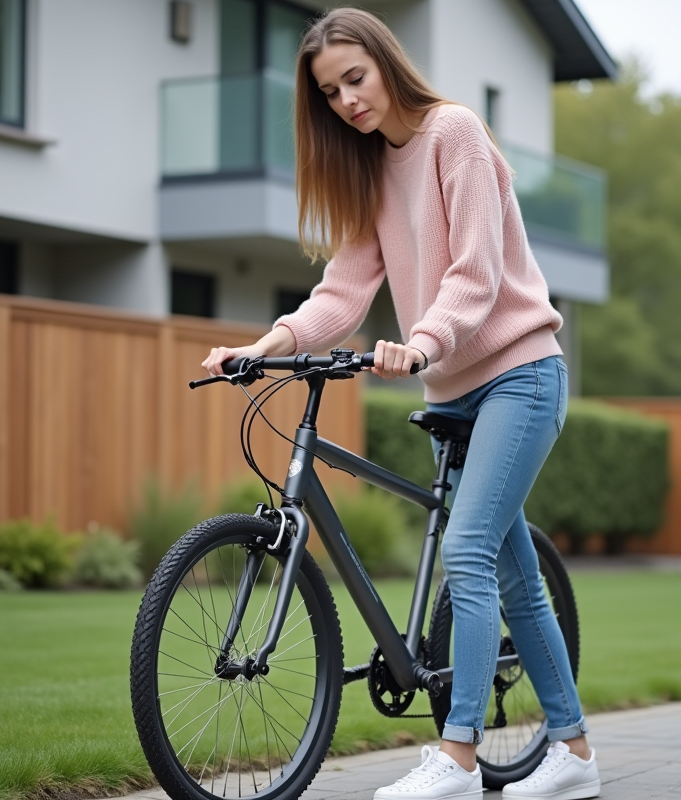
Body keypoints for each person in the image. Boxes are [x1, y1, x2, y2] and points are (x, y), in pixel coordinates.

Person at [203, 8, 598, 800]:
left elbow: (477, 273)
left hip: (520, 374)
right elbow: (342, 292)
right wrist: (263, 346)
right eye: (330, 92)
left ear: (386, 63)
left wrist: (421, 343)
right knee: (514, 578)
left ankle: (457, 756)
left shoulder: (455, 133)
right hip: (453, 395)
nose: (347, 100)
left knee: (468, 551)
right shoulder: (372, 170)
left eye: (355, 78)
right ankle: (577, 754)